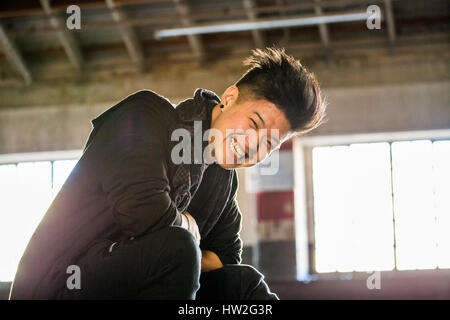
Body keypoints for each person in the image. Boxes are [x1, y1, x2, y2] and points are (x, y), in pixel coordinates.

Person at [9, 47, 326, 300]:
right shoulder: (146, 117)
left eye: (269, 143)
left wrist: (182, 237)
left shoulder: (221, 181)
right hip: (59, 284)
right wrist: (187, 234)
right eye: (255, 124)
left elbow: (226, 258)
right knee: (178, 250)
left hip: (127, 286)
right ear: (229, 99)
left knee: (243, 284)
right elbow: (143, 215)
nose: (254, 145)